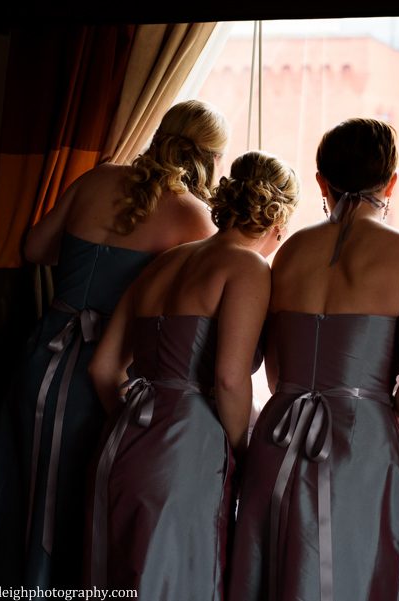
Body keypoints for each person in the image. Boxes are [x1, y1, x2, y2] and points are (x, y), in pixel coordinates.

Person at [0, 100, 228, 587]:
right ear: (211, 159)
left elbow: (34, 248)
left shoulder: (96, 178)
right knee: (77, 501)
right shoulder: (193, 217)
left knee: (20, 488)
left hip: (41, 355)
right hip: (109, 373)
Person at [228, 118, 399, 601]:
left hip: (281, 433)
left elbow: (277, 370)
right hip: (360, 441)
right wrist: (374, 407)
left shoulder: (288, 254)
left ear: (322, 181)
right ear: (390, 182)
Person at [85, 150, 299, 599]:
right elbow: (229, 380)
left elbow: (103, 367)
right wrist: (243, 451)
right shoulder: (247, 267)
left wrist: (139, 421)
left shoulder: (163, 263)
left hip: (122, 440)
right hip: (187, 447)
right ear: (279, 221)